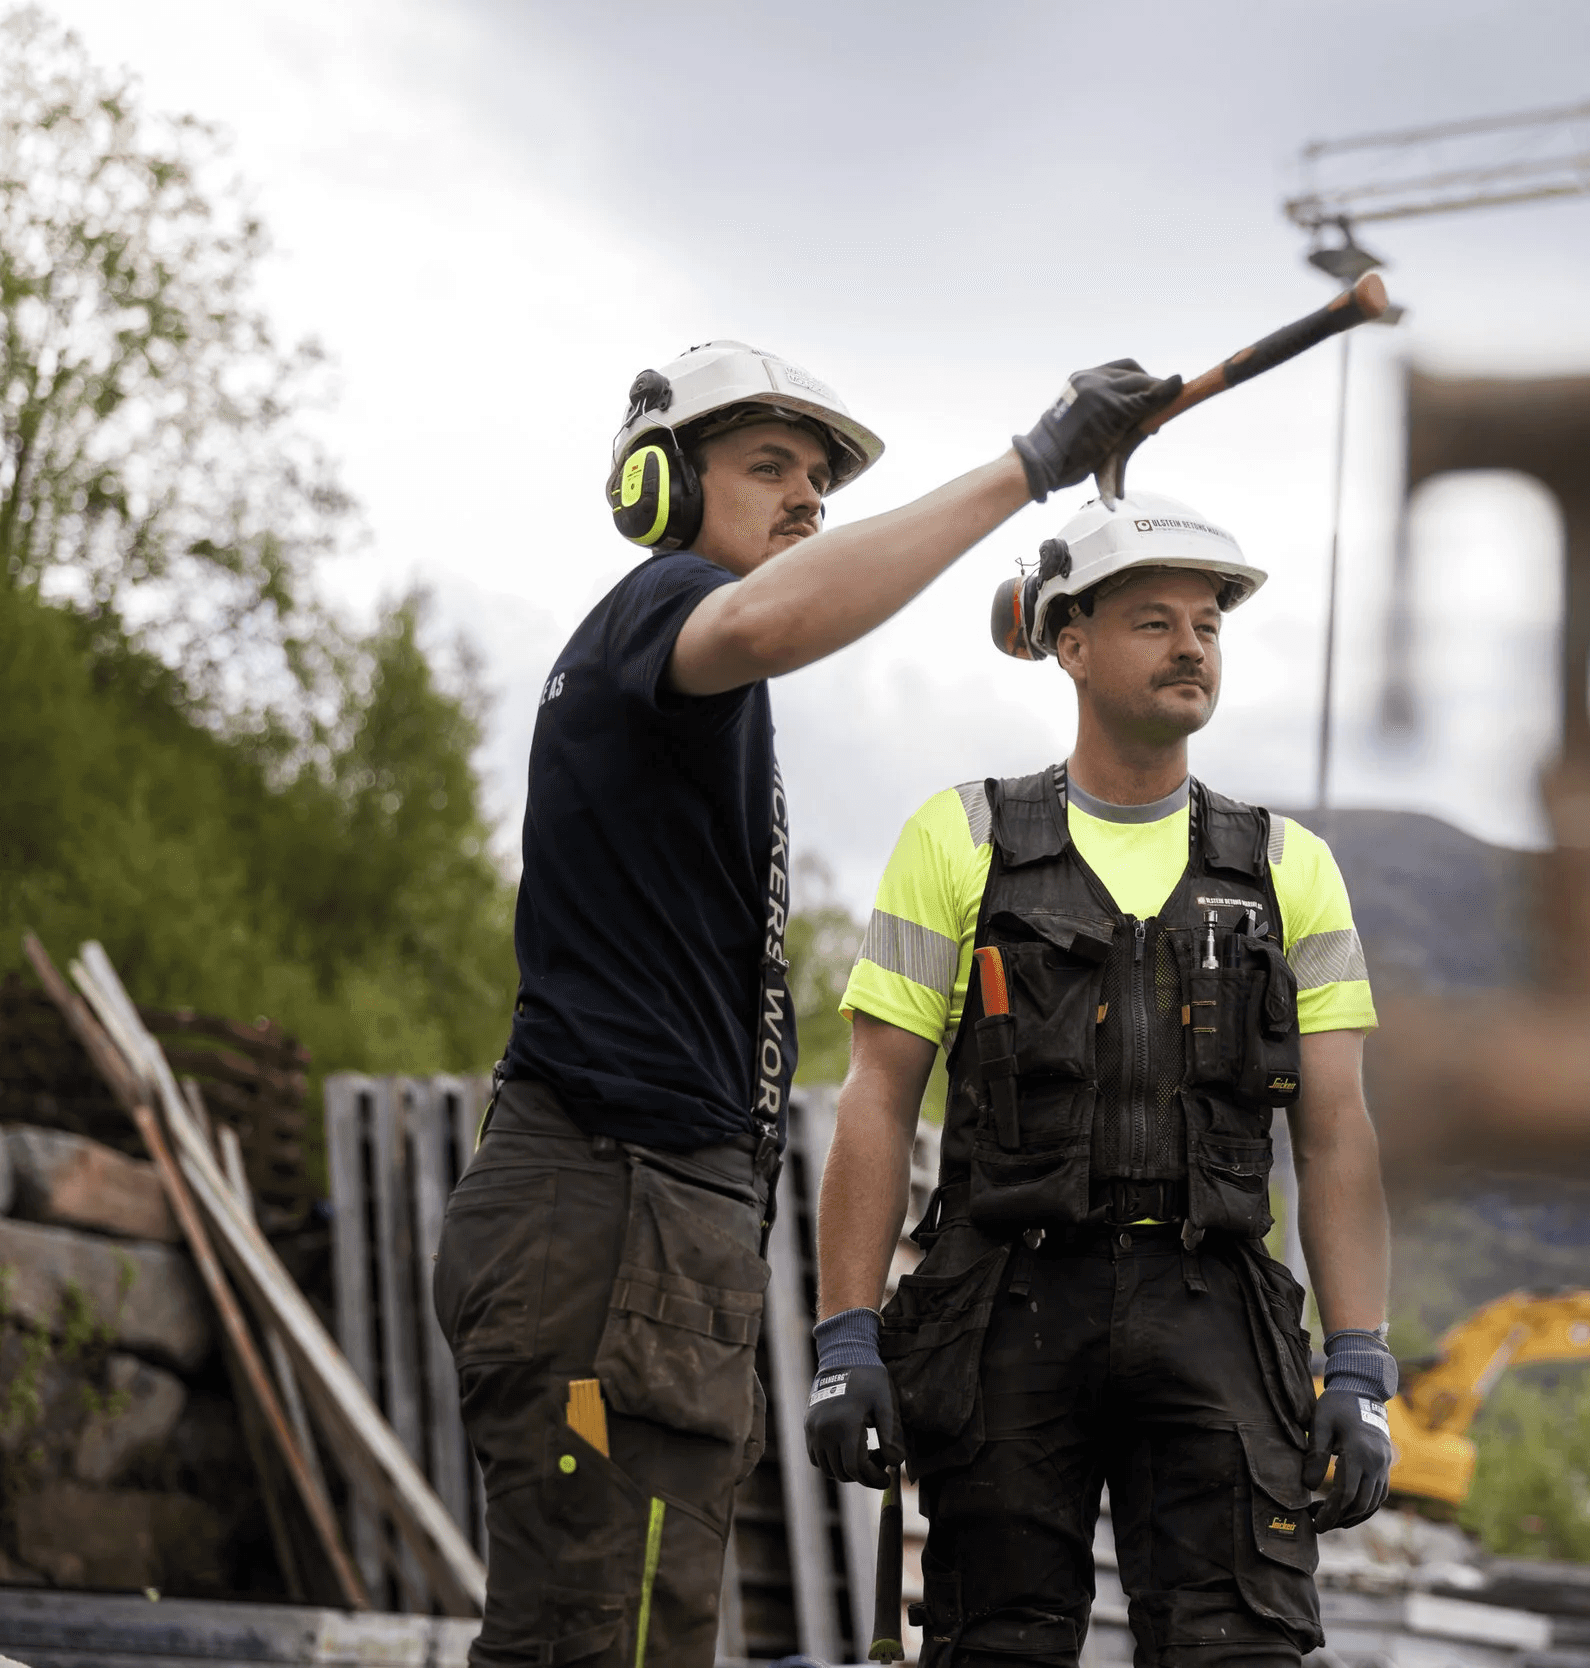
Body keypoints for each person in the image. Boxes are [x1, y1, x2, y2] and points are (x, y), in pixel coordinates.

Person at [432, 339, 1180, 1668]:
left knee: (640, 1632)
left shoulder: (701, 696)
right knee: (582, 1643)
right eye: (767, 466)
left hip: (648, 1236)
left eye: (819, 480)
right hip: (606, 1228)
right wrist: (1034, 465)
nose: (806, 498)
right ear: (660, 487)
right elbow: (772, 616)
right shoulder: (659, 605)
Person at [808, 492, 1398, 1668]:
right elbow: (876, 1099)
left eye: (1208, 625)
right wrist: (846, 1340)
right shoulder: (960, 839)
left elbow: (1334, 1133)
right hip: (1008, 1313)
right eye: (1153, 622)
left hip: (1216, 1310)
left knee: (1241, 1650)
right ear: (1067, 643)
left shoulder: (1289, 870)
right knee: (998, 1649)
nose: (1191, 646)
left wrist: (1361, 1362)